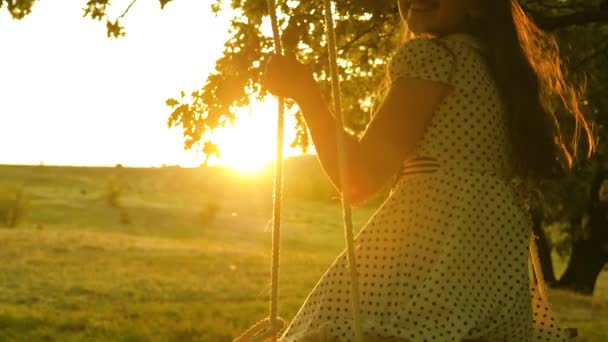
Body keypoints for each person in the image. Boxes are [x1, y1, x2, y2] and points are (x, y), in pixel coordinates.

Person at [263, 0, 595, 341]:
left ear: (478, 7)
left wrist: (306, 95)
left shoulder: (434, 59)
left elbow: (359, 177)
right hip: (490, 284)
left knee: (338, 328)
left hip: (430, 271)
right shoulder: (498, 73)